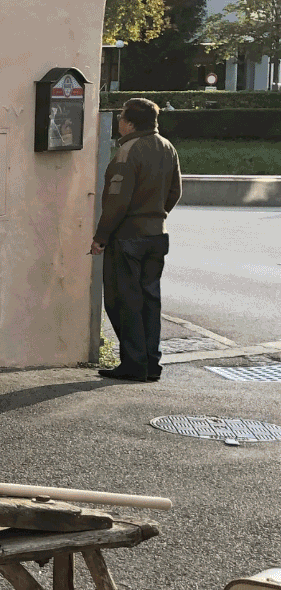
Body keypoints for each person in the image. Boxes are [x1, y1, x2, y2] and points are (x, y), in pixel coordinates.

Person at [92, 97, 182, 383]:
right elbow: (175, 191)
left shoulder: (128, 153)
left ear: (130, 123)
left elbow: (117, 202)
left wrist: (101, 237)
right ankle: (151, 364)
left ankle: (133, 363)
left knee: (123, 300)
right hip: (157, 235)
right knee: (149, 301)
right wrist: (157, 214)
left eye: (121, 116)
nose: (119, 121)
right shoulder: (168, 148)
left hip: (128, 237)